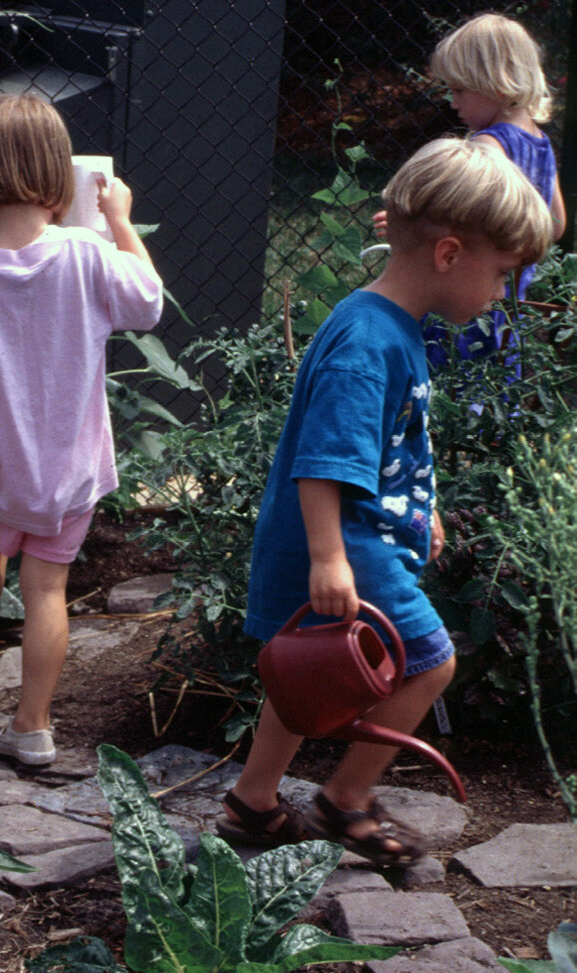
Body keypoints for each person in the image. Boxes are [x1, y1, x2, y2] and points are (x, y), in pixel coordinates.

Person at [218, 138, 552, 866]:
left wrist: (418, 508)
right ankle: (345, 798)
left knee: (311, 668)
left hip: (357, 533)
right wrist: (331, 556)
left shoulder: (387, 327)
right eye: (500, 274)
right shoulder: (370, 343)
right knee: (429, 659)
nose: (501, 292)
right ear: (448, 253)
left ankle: (253, 799)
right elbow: (324, 460)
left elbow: (383, 451)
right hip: (343, 540)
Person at [0, 94, 162, 767]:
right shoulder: (85, 254)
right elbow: (148, 303)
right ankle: (33, 725)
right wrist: (120, 221)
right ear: (60, 173)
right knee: (47, 589)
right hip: (68, 471)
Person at [375, 12, 565, 369]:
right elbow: (555, 226)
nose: (452, 101)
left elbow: (461, 211)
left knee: (451, 387)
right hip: (507, 305)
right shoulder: (540, 143)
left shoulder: (489, 146)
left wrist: (414, 225)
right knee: (494, 398)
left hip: (465, 298)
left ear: (497, 83)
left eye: (460, 89)